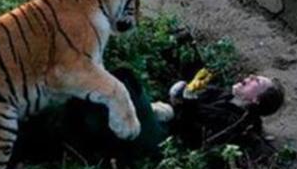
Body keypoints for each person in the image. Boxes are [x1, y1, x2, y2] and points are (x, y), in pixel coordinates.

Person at [58, 67, 285, 158]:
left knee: (126, 83)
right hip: (166, 120)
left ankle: (73, 135)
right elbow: (184, 104)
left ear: (255, 99)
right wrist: (182, 93)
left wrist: (187, 103)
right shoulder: (224, 94)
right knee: (118, 87)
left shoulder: (237, 123)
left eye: (256, 81)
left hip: (166, 142)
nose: (250, 77)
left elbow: (194, 137)